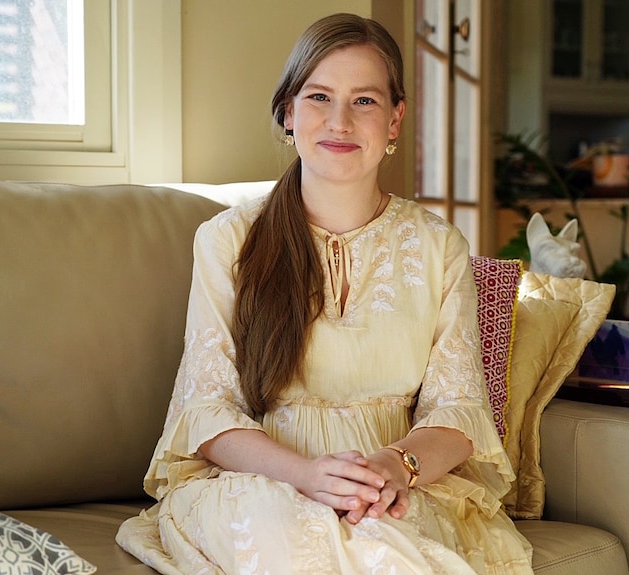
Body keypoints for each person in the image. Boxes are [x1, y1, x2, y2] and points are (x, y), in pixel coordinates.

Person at [117, 12, 534, 574]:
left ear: (394, 120)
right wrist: (309, 476)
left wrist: (395, 465)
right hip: (261, 482)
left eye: (364, 101)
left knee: (390, 549)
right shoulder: (227, 241)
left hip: (394, 487)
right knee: (307, 549)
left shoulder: (439, 245)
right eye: (319, 97)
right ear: (288, 113)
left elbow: (459, 410)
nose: (339, 120)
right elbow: (205, 409)